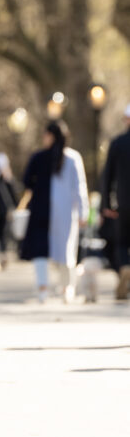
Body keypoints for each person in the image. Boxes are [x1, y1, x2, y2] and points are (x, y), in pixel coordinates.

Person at [20, 120, 88, 303]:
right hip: (66, 212)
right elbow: (79, 187)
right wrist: (84, 212)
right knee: (66, 250)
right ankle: (67, 288)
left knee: (41, 251)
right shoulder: (73, 158)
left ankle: (43, 288)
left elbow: (26, 181)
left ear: (50, 136)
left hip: (41, 210)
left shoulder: (39, 157)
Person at [100, 104, 130, 300]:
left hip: (123, 203)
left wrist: (105, 204)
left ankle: (125, 268)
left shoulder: (118, 143)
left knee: (121, 243)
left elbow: (107, 176)